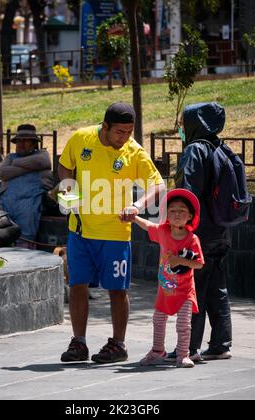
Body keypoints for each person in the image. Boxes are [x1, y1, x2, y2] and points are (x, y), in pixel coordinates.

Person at [59, 102, 164, 364]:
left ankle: (118, 344)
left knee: (117, 290)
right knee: (77, 286)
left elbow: (158, 184)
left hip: (116, 234)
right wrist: (69, 193)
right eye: (120, 132)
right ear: (104, 127)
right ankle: (79, 343)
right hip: (80, 231)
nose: (125, 137)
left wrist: (138, 205)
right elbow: (64, 165)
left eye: (129, 131)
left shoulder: (134, 151)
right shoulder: (81, 138)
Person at [174, 102, 233, 361]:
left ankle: (189, 348)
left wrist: (177, 227)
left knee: (192, 288)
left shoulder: (194, 150)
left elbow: (186, 193)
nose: (180, 130)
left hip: (199, 233)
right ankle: (221, 345)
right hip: (222, 230)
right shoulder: (222, 148)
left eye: (183, 124)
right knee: (216, 288)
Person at [134, 189, 204, 368]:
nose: (177, 214)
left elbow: (199, 264)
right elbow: (147, 225)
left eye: (182, 210)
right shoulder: (163, 231)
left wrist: (180, 260)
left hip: (185, 290)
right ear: (166, 214)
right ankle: (157, 351)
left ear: (190, 216)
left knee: (183, 324)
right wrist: (133, 216)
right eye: (172, 210)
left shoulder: (192, 238)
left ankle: (183, 355)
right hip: (165, 289)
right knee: (158, 320)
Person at [0, 124, 53, 247]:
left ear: (33, 143)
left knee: (25, 243)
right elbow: (2, 173)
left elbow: (43, 162)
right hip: (6, 207)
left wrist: (15, 164)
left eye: (25, 141)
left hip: (28, 210)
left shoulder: (42, 156)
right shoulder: (10, 157)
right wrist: (29, 167)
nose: (21, 144)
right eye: (19, 141)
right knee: (2, 240)